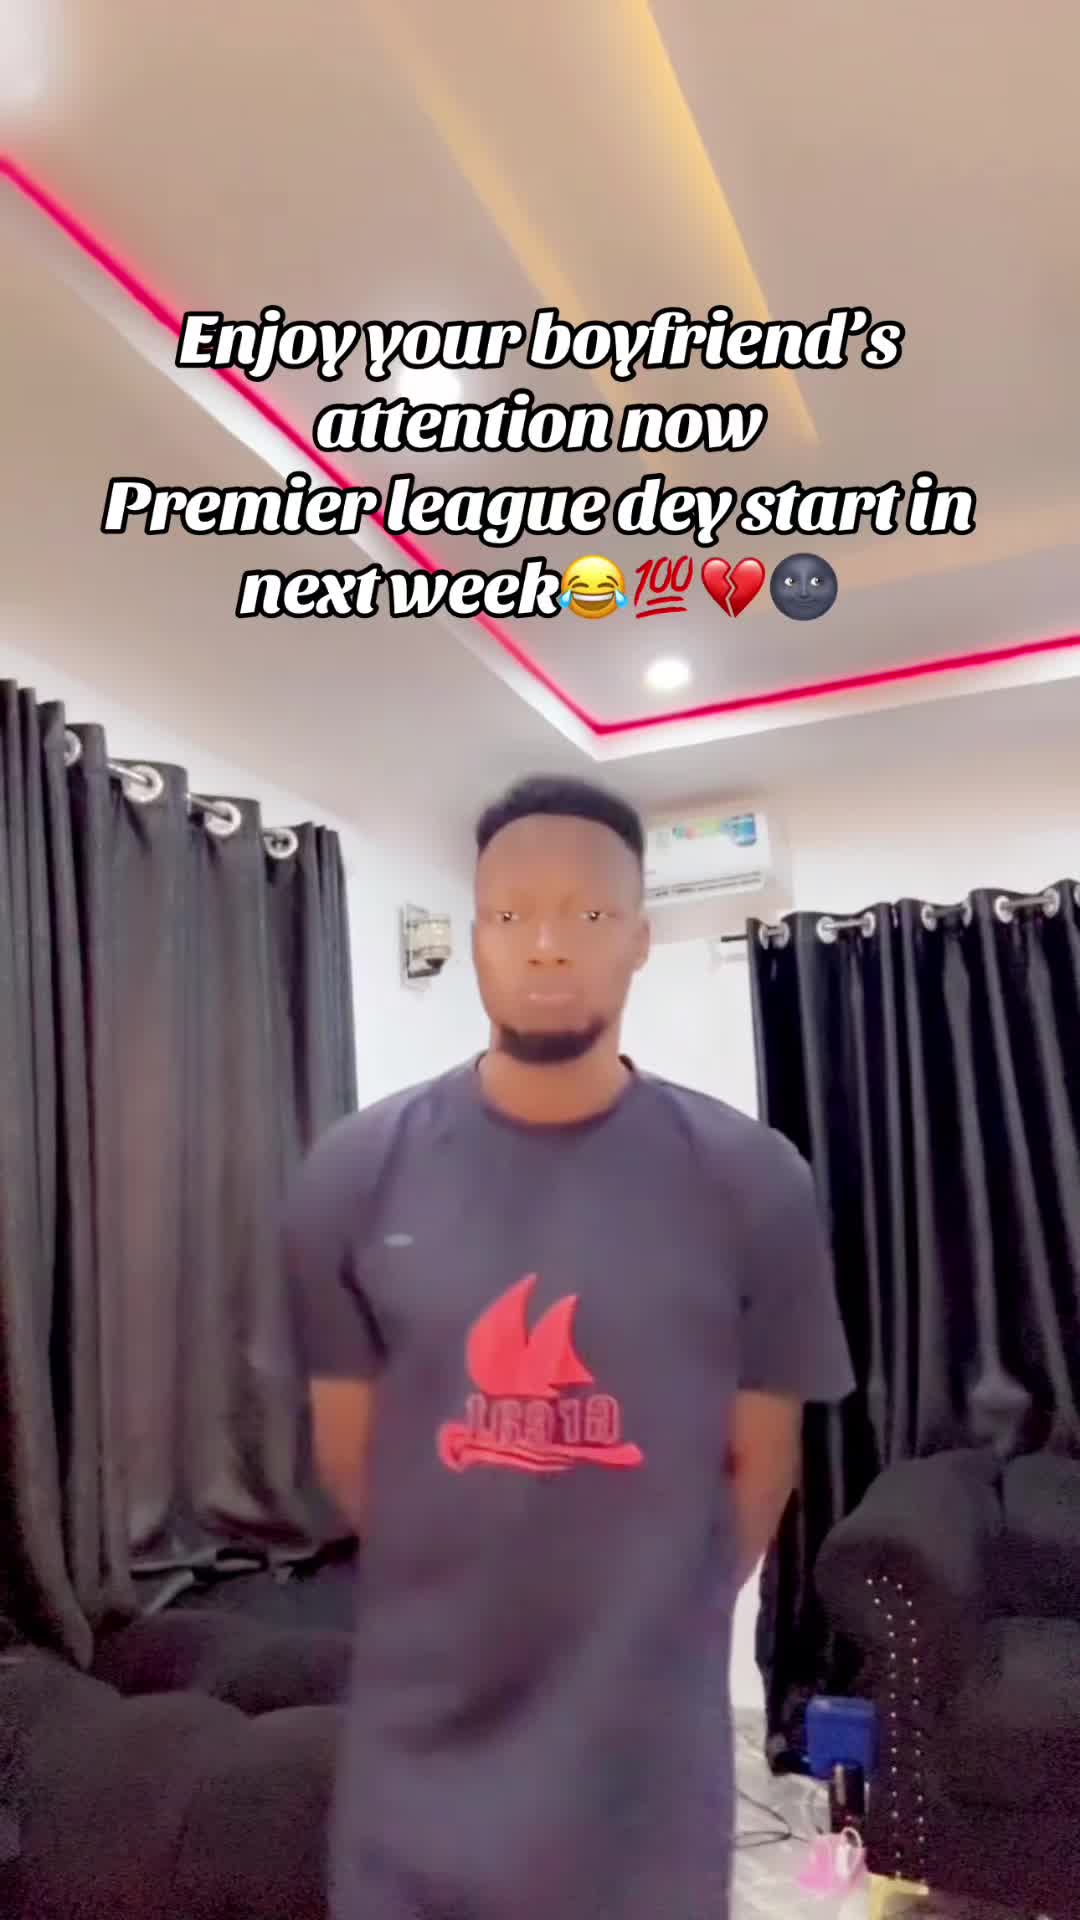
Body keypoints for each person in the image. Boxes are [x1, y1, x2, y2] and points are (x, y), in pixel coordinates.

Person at [282, 774, 855, 1920]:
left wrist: (652, 1614)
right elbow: (352, 1460)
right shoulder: (352, 1173)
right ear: (475, 938)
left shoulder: (753, 1182)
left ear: (639, 938)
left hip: (647, 1767)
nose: (546, 944)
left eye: (587, 914)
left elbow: (762, 1468)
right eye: (511, 914)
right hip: (416, 1770)